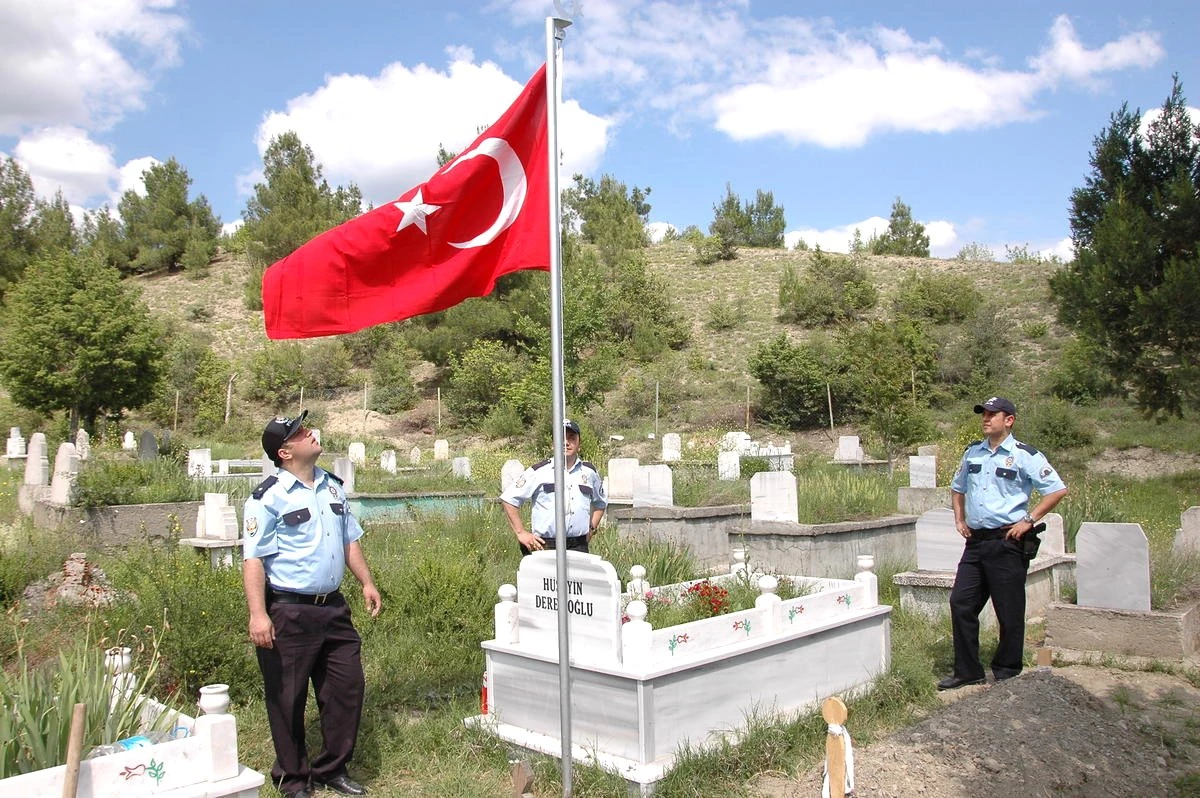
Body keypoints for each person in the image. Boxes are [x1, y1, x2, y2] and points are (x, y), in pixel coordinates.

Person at [242, 410, 382, 798]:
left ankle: (332, 768)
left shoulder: (332, 487)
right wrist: (258, 614)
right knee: (287, 697)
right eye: (301, 433)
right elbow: (253, 559)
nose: (311, 433)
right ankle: (293, 779)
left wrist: (367, 582)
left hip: (333, 608)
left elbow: (348, 539)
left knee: (346, 687)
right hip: (289, 609)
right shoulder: (267, 498)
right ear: (285, 452)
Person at [938, 396, 1068, 690]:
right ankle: (967, 670)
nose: (986, 418)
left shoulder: (1024, 455)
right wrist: (959, 519)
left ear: (1008, 420)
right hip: (976, 542)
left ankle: (1007, 670)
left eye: (992, 414)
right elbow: (957, 488)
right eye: (983, 414)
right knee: (961, 602)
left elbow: (1057, 489)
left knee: (1008, 608)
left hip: (1007, 540)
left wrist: (1029, 519)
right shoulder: (973, 453)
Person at [500, 418, 607, 555]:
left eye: (572, 438)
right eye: (561, 437)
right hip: (545, 545)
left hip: (578, 546)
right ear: (552, 444)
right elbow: (509, 498)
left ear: (579, 444)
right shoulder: (539, 471)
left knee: (577, 578)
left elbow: (601, 503)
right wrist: (521, 533)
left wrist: (592, 528)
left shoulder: (589, 472)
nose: (566, 442)